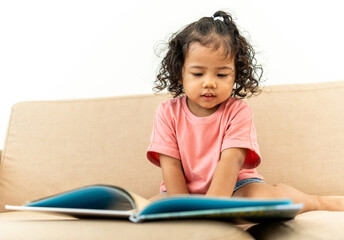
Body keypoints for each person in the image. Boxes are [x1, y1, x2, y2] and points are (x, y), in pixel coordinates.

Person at [146, 10, 344, 213]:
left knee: (267, 198)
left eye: (222, 74)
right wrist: (185, 211)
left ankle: (320, 202)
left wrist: (210, 210)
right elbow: (170, 167)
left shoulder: (237, 111)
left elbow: (231, 160)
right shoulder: (166, 112)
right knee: (147, 208)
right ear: (180, 73)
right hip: (181, 195)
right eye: (198, 73)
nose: (209, 83)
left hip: (235, 190)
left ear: (235, 76)